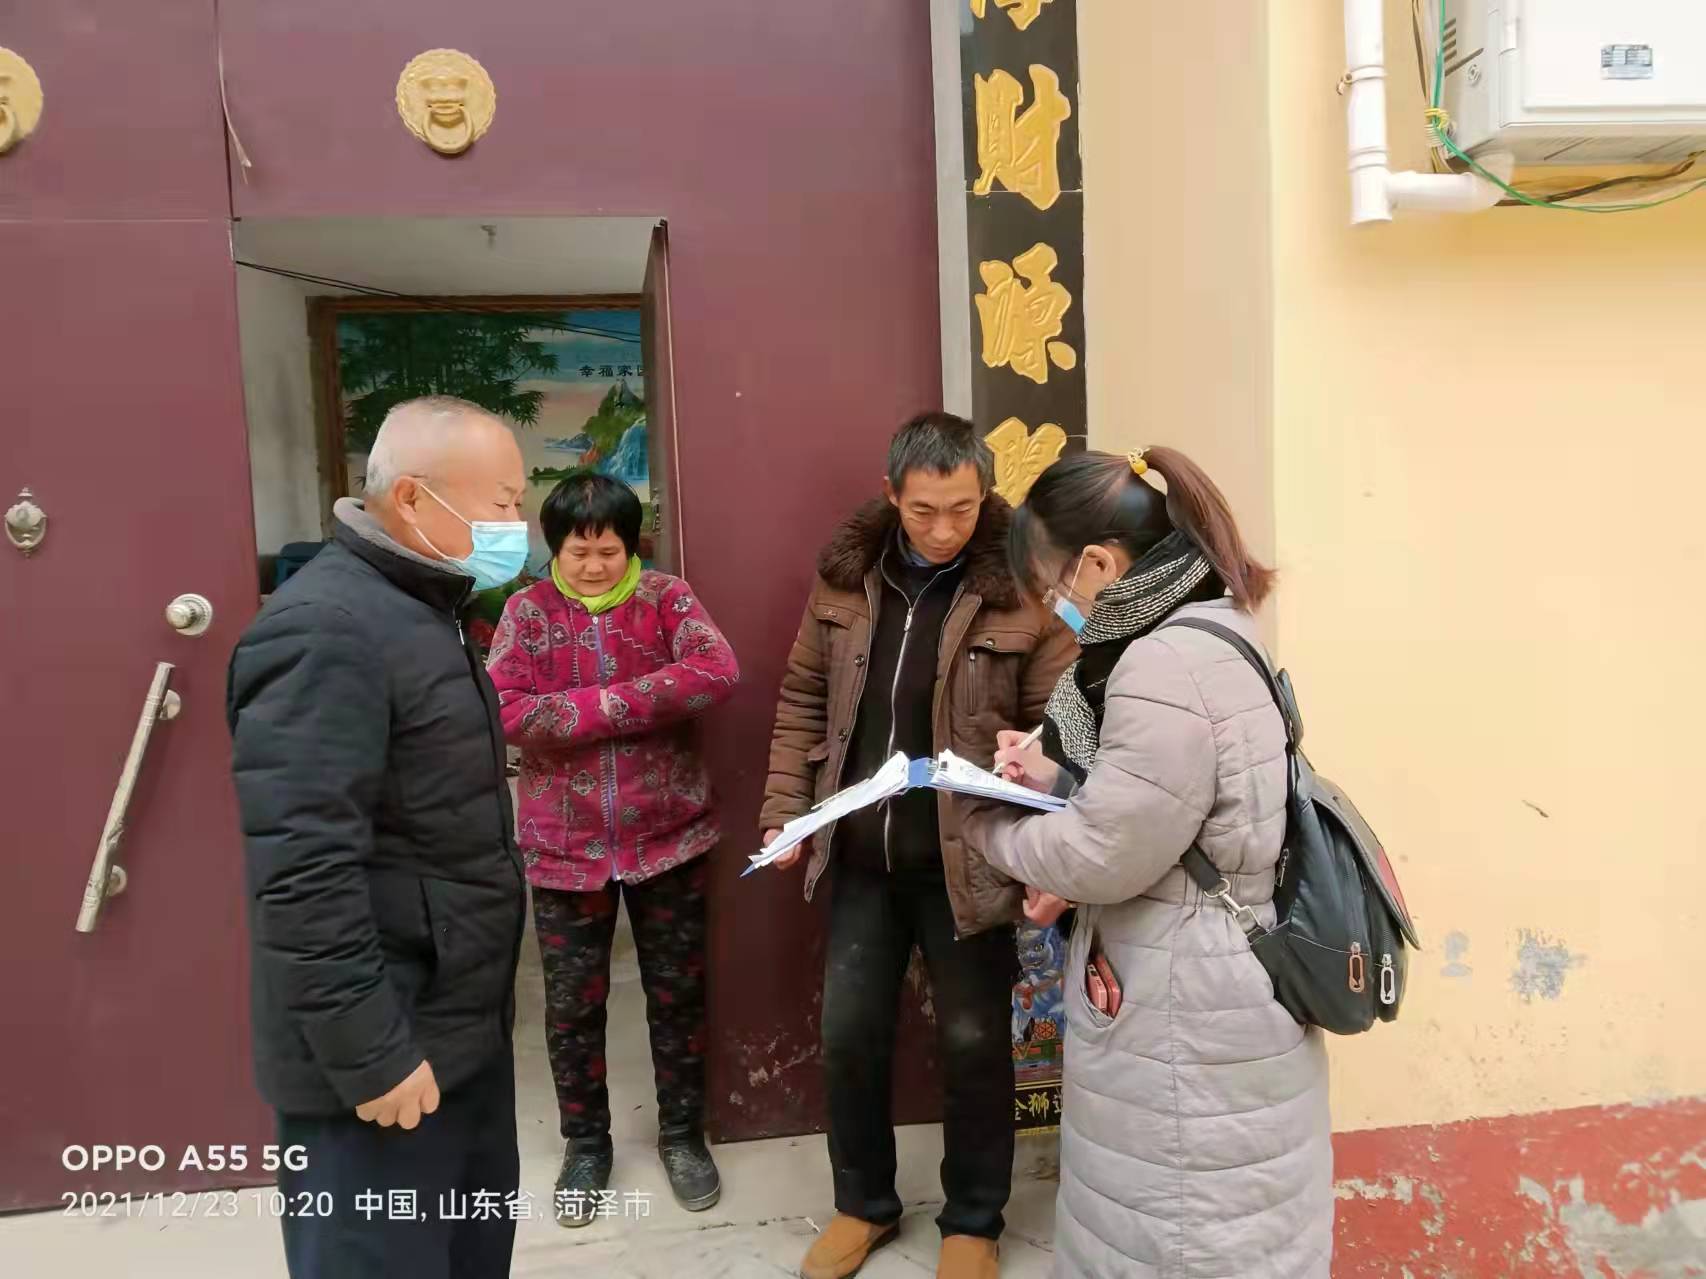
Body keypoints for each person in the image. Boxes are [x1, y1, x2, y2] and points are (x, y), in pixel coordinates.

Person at [962, 447, 1334, 1278]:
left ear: (1098, 564)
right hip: (1215, 990)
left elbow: (1104, 853)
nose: (1059, 609)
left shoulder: (1161, 663)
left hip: (1186, 1013)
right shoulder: (1215, 626)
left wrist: (983, 822)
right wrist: (1054, 776)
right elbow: (1162, 804)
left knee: (1179, 1238)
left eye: (1055, 587)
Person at [761, 412, 1077, 1279]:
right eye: (925, 509)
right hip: (864, 857)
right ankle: (863, 1203)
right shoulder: (846, 579)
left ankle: (973, 1218)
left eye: (963, 509)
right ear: (892, 493)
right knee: (850, 1034)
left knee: (975, 1043)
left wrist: (1052, 834)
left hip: (969, 862)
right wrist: (785, 813)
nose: (943, 529)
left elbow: (1065, 728)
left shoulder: (1023, 588)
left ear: (987, 496)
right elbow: (802, 699)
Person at [228, 397, 531, 1279]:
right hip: (382, 1069)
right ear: (411, 498)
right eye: (504, 502)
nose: (518, 525)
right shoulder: (327, 629)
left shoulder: (427, 610)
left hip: (457, 1037)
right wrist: (372, 1056)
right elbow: (302, 872)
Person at [485, 472, 739, 1226]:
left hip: (670, 838)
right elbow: (502, 708)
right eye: (579, 551)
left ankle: (682, 1135)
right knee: (572, 1006)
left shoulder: (667, 599)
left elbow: (716, 671)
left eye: (609, 550)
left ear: (632, 545)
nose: (595, 565)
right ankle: (586, 1143)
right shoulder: (527, 613)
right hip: (564, 848)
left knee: (677, 995)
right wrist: (610, 709)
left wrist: (606, 703)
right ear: (554, 548)